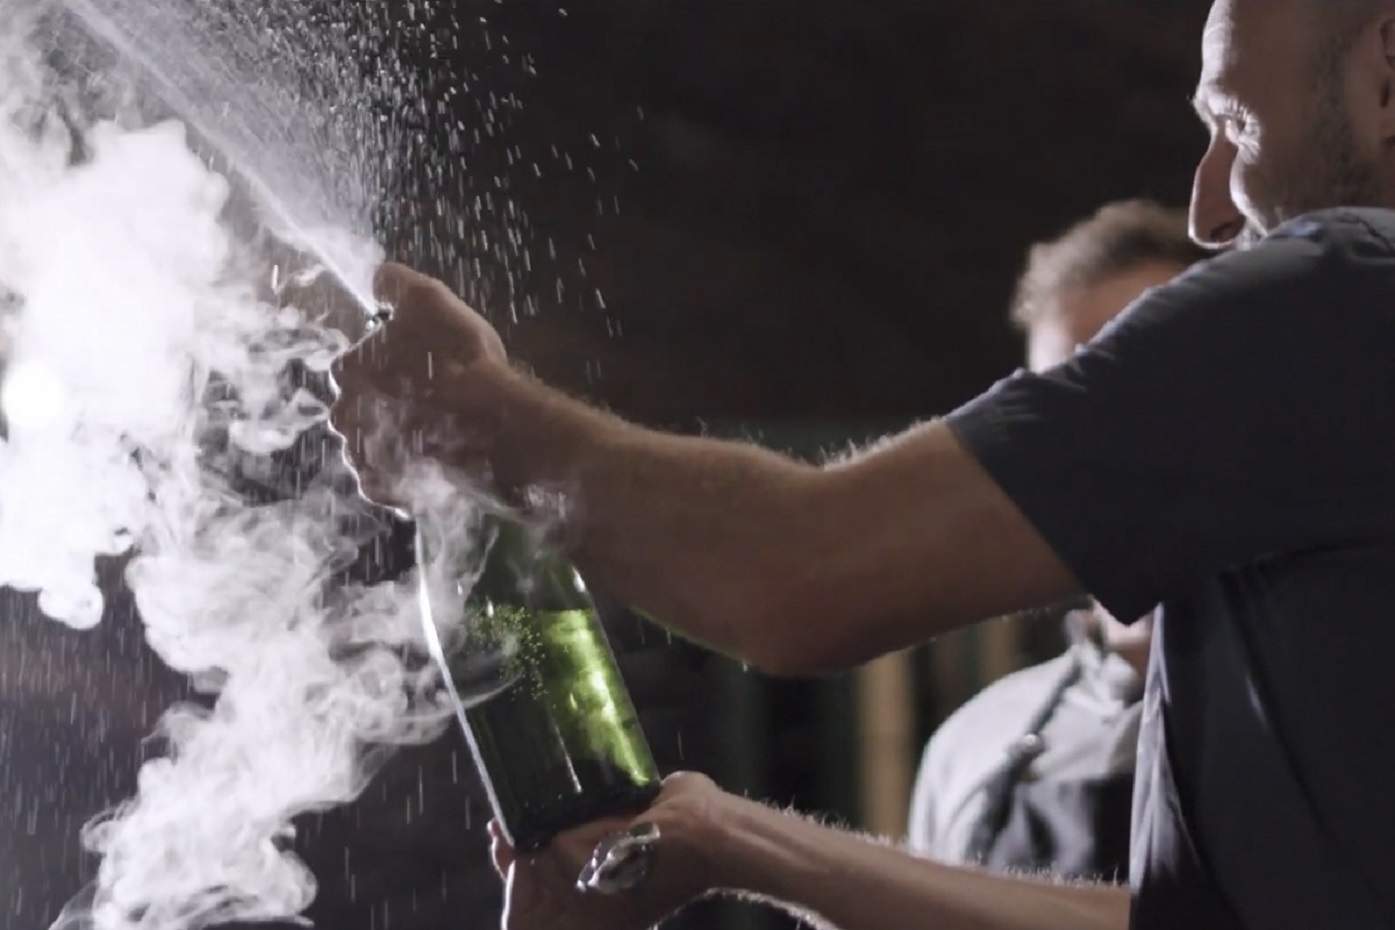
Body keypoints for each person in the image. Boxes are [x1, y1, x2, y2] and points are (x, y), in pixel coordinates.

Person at [335, 0, 1395, 926]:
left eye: (1234, 124)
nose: (1210, 206)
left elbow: (793, 576)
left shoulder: (1339, 293)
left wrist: (475, 416)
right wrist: (733, 841)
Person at [908, 201, 1208, 879]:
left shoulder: (1323, 709)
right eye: (1063, 397)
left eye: (1141, 376)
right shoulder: (972, 746)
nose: (1103, 429)